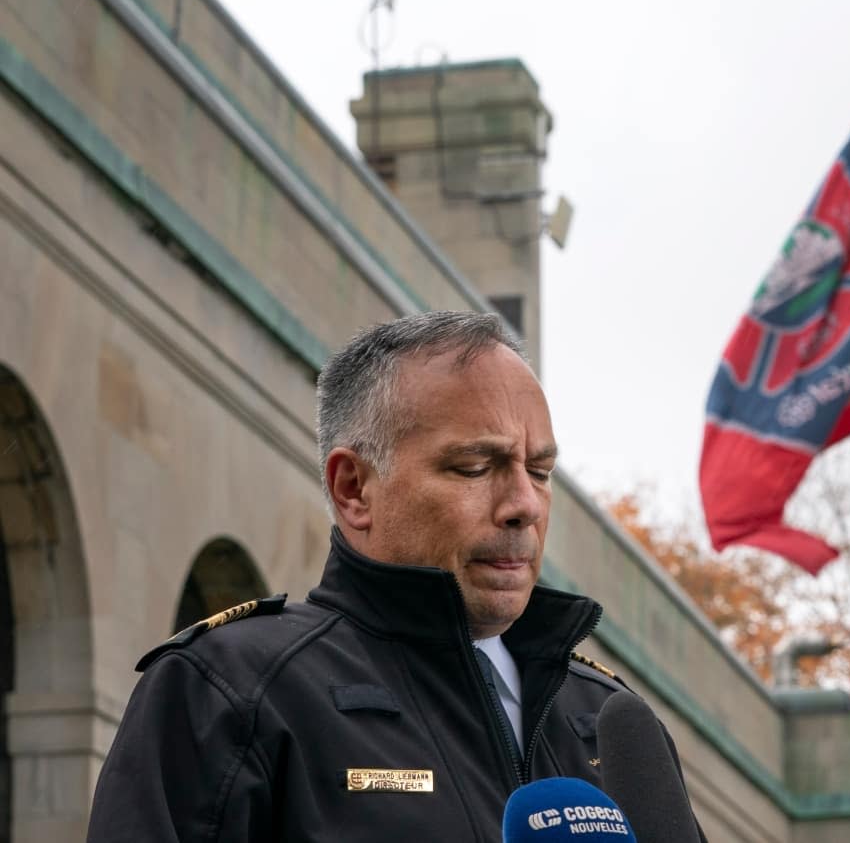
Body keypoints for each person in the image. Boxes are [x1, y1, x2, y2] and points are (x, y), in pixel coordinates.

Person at [86, 311, 700, 841]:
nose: (525, 505)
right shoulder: (228, 691)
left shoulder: (612, 722)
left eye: (538, 472)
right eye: (474, 467)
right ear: (353, 488)